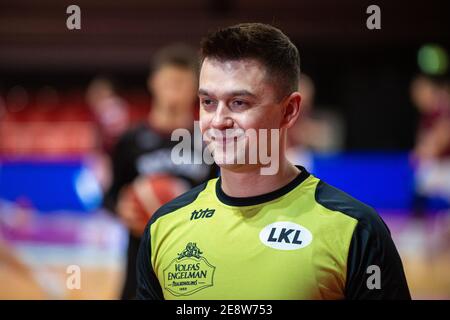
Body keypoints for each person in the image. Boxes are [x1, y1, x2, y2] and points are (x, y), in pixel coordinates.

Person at [136, 23, 411, 300]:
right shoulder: (164, 225)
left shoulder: (355, 230)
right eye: (208, 102)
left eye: (239, 103)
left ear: (289, 110)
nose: (217, 121)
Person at [103, 44, 214, 299]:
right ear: (153, 82)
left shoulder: (210, 141)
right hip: (141, 256)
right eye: (168, 81)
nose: (174, 90)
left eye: (181, 83)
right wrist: (120, 207)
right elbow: (109, 195)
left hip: (192, 257)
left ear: (195, 89)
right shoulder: (129, 140)